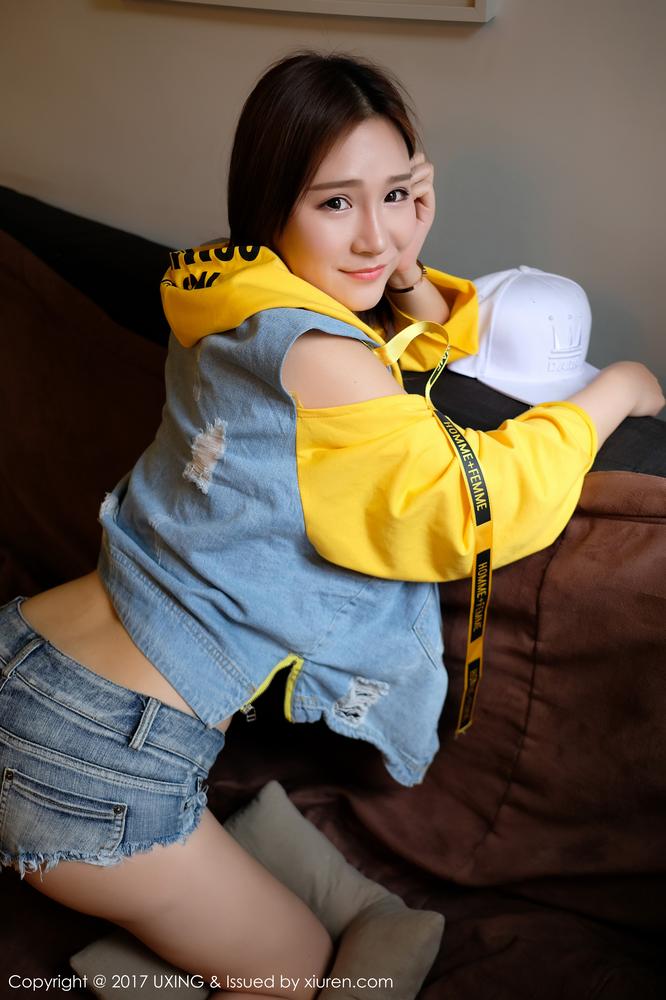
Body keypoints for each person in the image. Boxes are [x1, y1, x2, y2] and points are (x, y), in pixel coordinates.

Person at [0, 51, 663, 1000]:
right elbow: (472, 505)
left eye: (395, 194)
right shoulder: (326, 362)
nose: (374, 235)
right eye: (336, 202)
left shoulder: (227, 289)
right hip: (98, 749)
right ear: (275, 204)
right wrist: (614, 392)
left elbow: (395, 363)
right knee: (301, 975)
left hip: (27, 649)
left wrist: (408, 265)